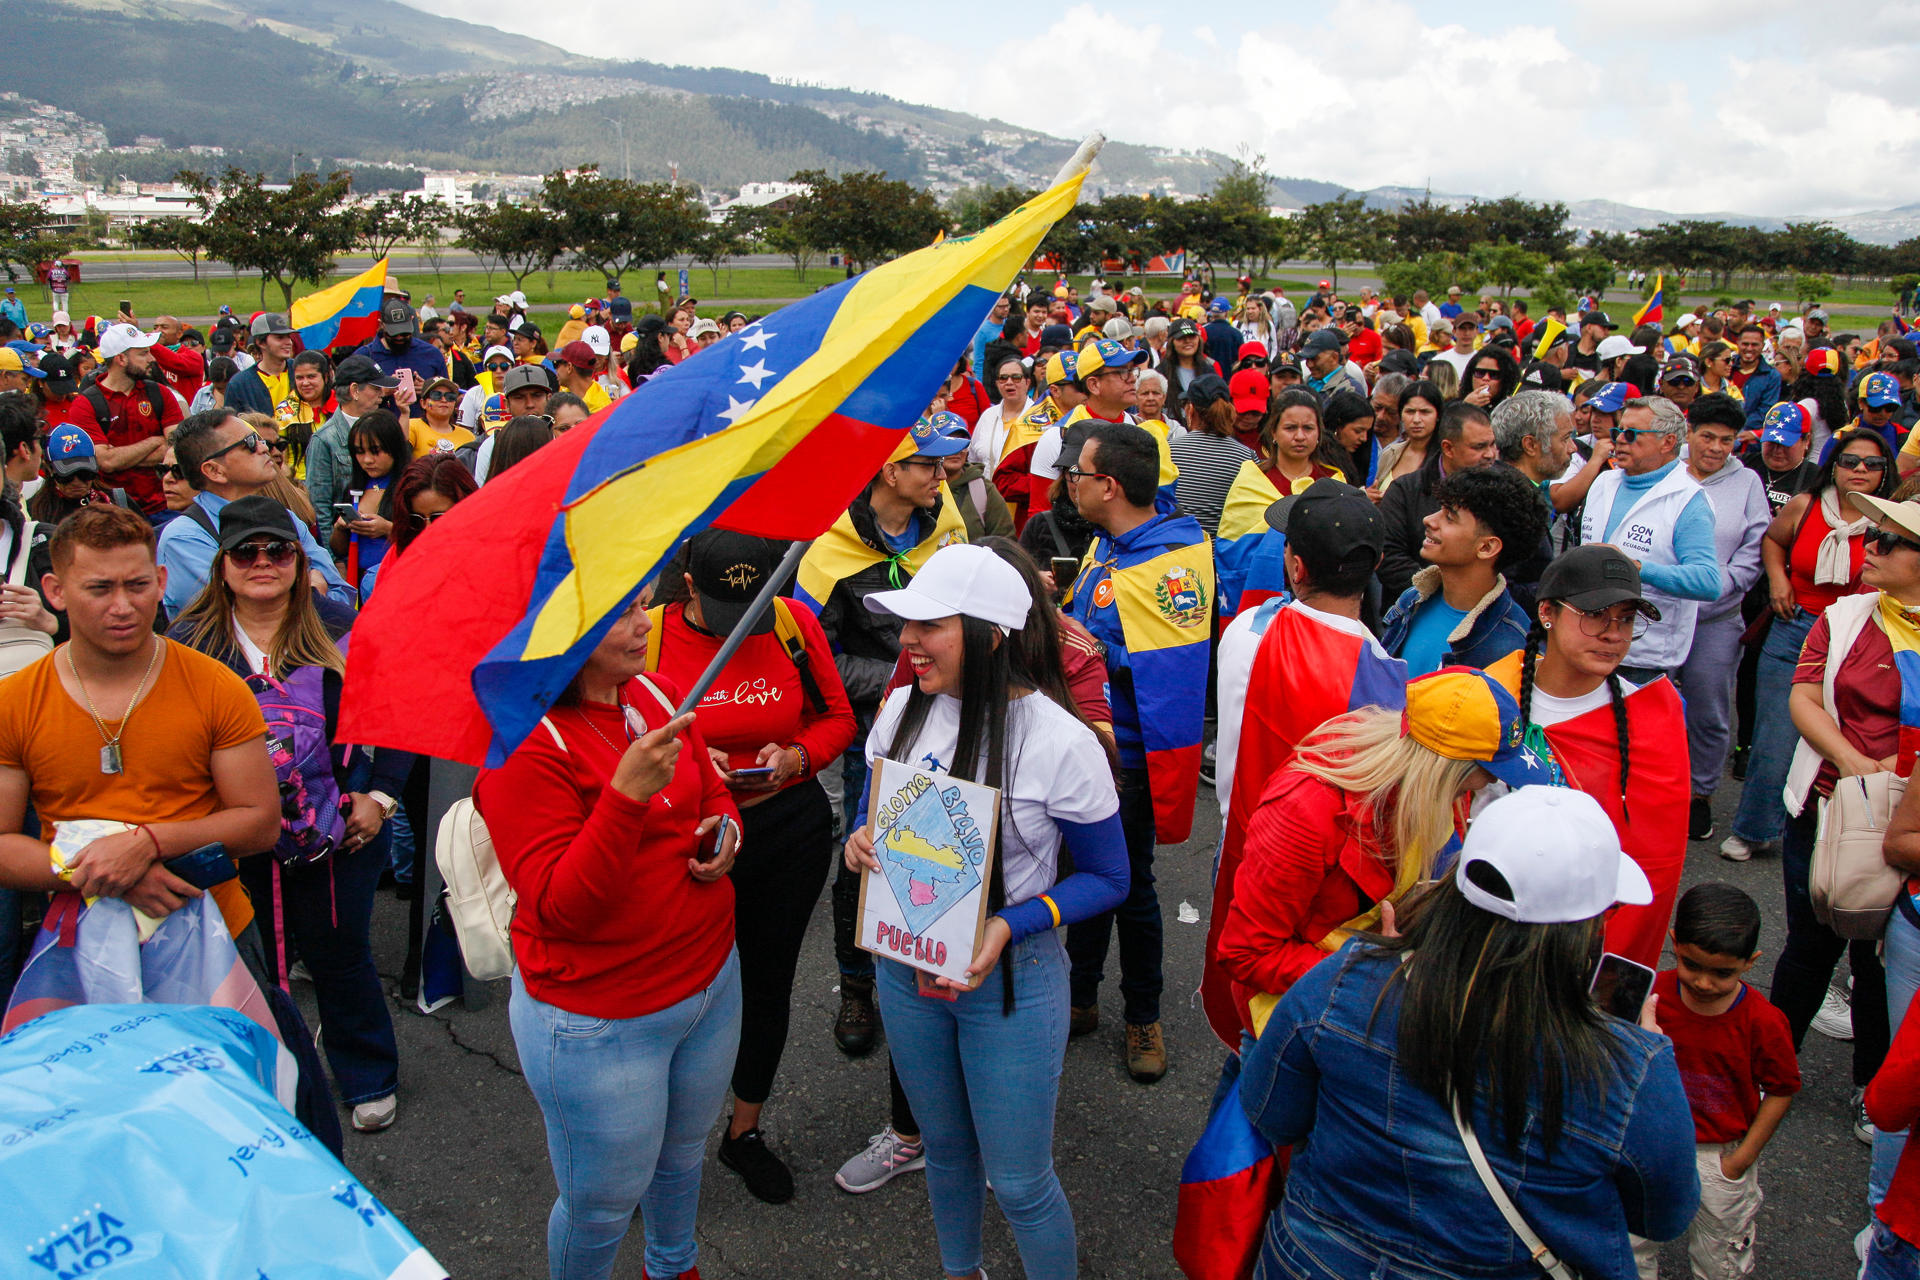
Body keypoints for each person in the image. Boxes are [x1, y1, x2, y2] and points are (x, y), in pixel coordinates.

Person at [1240, 785, 1696, 1280]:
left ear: (1454, 887)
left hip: (1314, 1262)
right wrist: (1640, 1056)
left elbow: (1272, 1112)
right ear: (1598, 919)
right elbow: (1664, 1215)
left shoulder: (1344, 979)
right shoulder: (1631, 1068)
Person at [844, 543, 1128, 1280]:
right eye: (905, 624)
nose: (906, 642)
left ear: (990, 635)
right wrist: (862, 841)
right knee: (944, 1152)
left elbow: (1109, 876)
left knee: (1024, 1183)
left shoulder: (1061, 740)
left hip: (1011, 982)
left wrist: (1010, 923)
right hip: (907, 973)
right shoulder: (903, 706)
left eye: (928, 625)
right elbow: (876, 814)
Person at [474, 586, 741, 1280]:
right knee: (601, 1202)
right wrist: (624, 798)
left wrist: (725, 830)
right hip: (601, 1018)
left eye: (645, 604)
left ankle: (673, 1264)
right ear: (563, 629)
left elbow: (709, 789)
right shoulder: (522, 744)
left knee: (683, 1156)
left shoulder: (653, 692)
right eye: (621, 612)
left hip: (710, 979)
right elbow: (563, 907)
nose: (642, 624)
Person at [169, 496, 407, 1133]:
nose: (263, 563)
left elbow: (397, 713)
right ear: (222, 566)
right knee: (253, 963)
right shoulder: (188, 643)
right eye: (246, 552)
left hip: (342, 831)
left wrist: (380, 797)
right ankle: (269, 1082)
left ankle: (367, 1075)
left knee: (339, 952)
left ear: (301, 562)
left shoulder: (339, 623)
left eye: (279, 550)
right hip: (238, 840)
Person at [643, 531, 855, 1205]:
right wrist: (690, 766)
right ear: (687, 580)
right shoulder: (646, 638)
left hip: (785, 828)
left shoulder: (793, 624)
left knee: (767, 982)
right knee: (673, 994)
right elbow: (618, 742)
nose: (743, 628)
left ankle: (744, 1131)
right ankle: (650, 1146)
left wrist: (796, 757)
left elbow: (838, 718)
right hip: (686, 834)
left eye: (754, 609)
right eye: (724, 611)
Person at [0, 505, 280, 949]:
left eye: (138, 585)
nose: (123, 606)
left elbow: (261, 823)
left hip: (212, 929)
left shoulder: (215, 687)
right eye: (99, 588)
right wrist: (109, 874)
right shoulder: (15, 701)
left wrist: (147, 844)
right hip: (78, 937)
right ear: (54, 590)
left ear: (161, 582)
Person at [1219, 666, 1541, 1043]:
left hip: (1376, 996)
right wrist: (1374, 975)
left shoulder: (1443, 788)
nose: (1493, 781)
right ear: (1441, 768)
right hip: (1297, 1018)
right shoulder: (1306, 811)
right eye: (1487, 770)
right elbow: (1247, 954)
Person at [793, 415, 971, 1064]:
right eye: (929, 464)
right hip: (876, 721)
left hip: (949, 711)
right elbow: (812, 659)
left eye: (947, 463)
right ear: (891, 472)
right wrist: (904, 681)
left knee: (944, 842)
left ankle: (936, 958)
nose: (943, 474)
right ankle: (857, 986)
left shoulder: (947, 524)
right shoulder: (828, 548)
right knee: (863, 853)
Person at [1061, 422, 1213, 1082]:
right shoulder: (1107, 542)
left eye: (1078, 474)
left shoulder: (1170, 562)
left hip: (1129, 758)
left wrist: (1081, 647)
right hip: (1084, 745)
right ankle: (1081, 994)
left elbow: (1171, 670)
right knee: (1086, 875)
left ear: (1109, 486)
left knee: (1132, 887)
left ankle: (1142, 1015)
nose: (1069, 483)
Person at [1771, 488, 1920, 1144]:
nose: (1873, 548)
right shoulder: (1848, 613)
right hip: (1830, 803)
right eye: (1874, 535)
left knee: (1884, 959)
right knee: (1809, 943)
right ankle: (1767, 1069)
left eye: (1889, 540)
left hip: (1907, 826)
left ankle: (1872, 1087)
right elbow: (1804, 696)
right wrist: (1857, 765)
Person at [1484, 546, 1691, 971]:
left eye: (1627, 619)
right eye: (1595, 614)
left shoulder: (1652, 716)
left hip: (1585, 937)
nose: (1614, 634)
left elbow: (1655, 862)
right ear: (1548, 612)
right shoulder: (1490, 695)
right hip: (1492, 912)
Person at [1722, 425, 1894, 862]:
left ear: (1884, 472)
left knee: (1848, 739)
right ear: (1833, 466)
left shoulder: (1891, 521)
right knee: (1775, 734)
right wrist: (1778, 580)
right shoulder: (1805, 504)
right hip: (1796, 626)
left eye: (1872, 464)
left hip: (1861, 639)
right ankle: (1753, 829)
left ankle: (1839, 838)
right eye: (1850, 460)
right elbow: (1773, 542)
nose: (1860, 470)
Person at [1630, 883, 1799, 1280]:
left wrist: (1740, 1161)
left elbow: (1781, 1089)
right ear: (1675, 943)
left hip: (1718, 1155)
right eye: (1692, 965)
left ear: (1750, 962)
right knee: (1633, 1242)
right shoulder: (1649, 995)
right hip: (1651, 1143)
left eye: (1722, 973)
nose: (1704, 983)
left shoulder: (1764, 1022)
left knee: (1719, 1253)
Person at [1673, 395, 1769, 843]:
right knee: (1642, 699)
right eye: (1706, 436)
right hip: (1660, 612)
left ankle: (1699, 795)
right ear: (1688, 432)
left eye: (1726, 440)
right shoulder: (1667, 470)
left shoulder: (1747, 482)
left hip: (1715, 619)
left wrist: (1715, 586)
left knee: (1709, 712)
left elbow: (1753, 551)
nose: (1715, 447)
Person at [1576, 396, 1723, 684]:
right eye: (1618, 432)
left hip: (1641, 657)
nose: (1619, 441)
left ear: (1667, 443)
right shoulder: (1604, 482)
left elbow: (1707, 581)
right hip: (1584, 642)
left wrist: (1637, 568)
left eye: (1631, 434)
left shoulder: (1688, 501)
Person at [156, 409, 354, 618]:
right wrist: (312, 593)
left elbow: (341, 595)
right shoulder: (185, 538)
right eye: (250, 443)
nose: (264, 448)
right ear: (214, 470)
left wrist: (307, 599)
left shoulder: (286, 518)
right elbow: (242, 618)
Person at [1379, 465, 1548, 675]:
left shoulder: (1511, 646)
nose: (1429, 520)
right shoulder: (1413, 600)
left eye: (1449, 517)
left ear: (1487, 547)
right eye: (1439, 508)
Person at [1376, 401, 1499, 603]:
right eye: (1479, 447)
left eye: (1492, 444)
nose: (1490, 454)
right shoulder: (1405, 491)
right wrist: (1445, 591)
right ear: (1448, 448)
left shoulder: (1506, 489)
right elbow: (1389, 557)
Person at [64, 323, 180, 515]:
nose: (151, 358)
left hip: (164, 508)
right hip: (112, 512)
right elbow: (106, 462)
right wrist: (155, 441)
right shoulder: (85, 404)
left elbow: (176, 450)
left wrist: (121, 456)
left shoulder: (160, 394)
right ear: (121, 359)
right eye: (143, 353)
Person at [331, 410, 412, 599]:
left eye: (375, 451)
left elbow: (426, 540)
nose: (367, 460)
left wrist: (388, 529)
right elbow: (339, 549)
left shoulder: (412, 486)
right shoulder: (353, 487)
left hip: (397, 583)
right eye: (360, 452)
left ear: (394, 448)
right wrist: (340, 528)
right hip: (356, 583)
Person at [305, 354, 399, 517]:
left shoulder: (385, 428)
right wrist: (330, 542)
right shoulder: (324, 440)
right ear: (355, 390)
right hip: (346, 537)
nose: (382, 394)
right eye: (376, 388)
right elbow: (319, 507)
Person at [1168, 374, 1254, 537]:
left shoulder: (1170, 451)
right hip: (1224, 556)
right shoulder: (1246, 456)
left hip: (1178, 552)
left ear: (1190, 409)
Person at [1373, 379, 1443, 493]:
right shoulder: (1390, 453)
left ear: (1438, 415)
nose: (1416, 420)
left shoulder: (1444, 458)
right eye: (1410, 411)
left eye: (1425, 412)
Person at [224, 313, 297, 418]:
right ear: (261, 343)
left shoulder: (301, 371)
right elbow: (232, 426)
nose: (288, 342)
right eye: (280, 338)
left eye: (288, 337)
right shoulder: (240, 384)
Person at [407, 375, 474, 457]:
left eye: (450, 396)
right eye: (436, 395)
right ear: (423, 403)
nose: (444, 400)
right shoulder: (412, 426)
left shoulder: (468, 436)